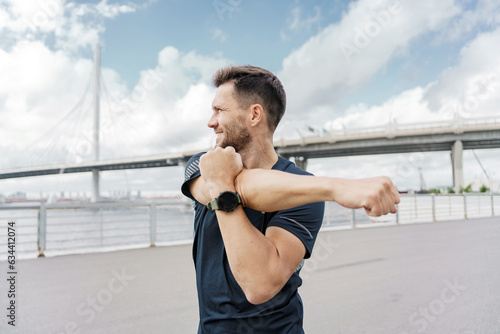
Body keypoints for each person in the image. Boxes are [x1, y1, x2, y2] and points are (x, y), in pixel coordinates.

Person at [181, 65, 400, 333]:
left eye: (219, 110)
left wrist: (223, 190)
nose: (210, 121)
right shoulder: (203, 165)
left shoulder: (305, 190)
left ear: (254, 114)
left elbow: (259, 284)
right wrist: (334, 187)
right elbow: (247, 187)